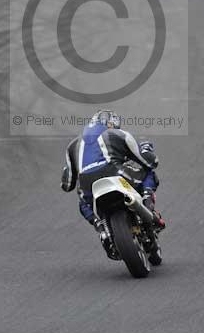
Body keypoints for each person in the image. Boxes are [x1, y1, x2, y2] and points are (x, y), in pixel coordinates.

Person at [61, 110, 165, 257]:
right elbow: (149, 161)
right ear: (112, 123)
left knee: (83, 202)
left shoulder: (73, 146)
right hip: (116, 174)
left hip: (88, 187)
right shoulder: (119, 134)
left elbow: (67, 185)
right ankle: (148, 205)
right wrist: (147, 149)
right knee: (148, 172)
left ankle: (101, 228)